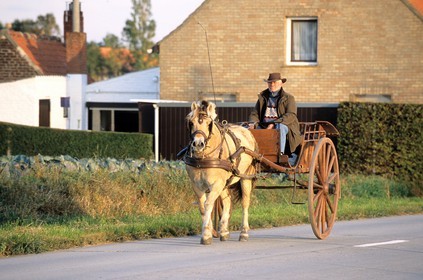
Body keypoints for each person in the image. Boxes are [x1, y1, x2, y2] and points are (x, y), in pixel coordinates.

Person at [249, 73, 302, 162]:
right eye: (270, 82)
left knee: (280, 127)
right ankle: (251, 154)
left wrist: (274, 124)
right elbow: (255, 113)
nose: (272, 85)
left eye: (274, 82)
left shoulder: (289, 98)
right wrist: (252, 123)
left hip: (285, 125)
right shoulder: (263, 97)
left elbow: (291, 115)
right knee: (246, 129)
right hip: (264, 125)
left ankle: (279, 154)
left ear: (281, 83)